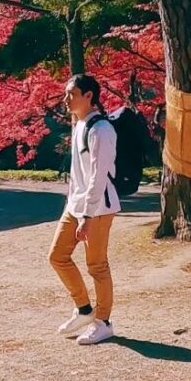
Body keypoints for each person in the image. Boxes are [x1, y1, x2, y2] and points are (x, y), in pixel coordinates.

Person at [49, 74, 120, 345]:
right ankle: (84, 310)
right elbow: (78, 174)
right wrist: (73, 207)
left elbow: (98, 177)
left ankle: (103, 322)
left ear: (89, 95)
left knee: (97, 265)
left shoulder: (101, 130)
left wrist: (87, 216)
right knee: (57, 256)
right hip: (76, 205)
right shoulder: (79, 125)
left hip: (98, 207)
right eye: (67, 94)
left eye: (72, 94)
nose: (66, 99)